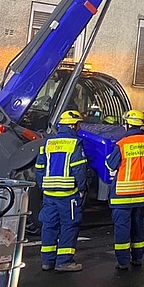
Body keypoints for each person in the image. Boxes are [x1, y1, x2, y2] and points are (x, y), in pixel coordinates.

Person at [35, 110, 87, 272]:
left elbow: (39, 168)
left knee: (49, 226)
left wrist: (43, 186)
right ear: (72, 125)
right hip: (68, 194)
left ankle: (48, 261)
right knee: (69, 226)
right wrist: (82, 188)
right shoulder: (75, 143)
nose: (79, 127)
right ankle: (64, 261)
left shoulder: (47, 143)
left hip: (49, 195)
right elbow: (79, 169)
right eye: (78, 124)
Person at [105, 109, 144, 270]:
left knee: (122, 229)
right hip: (141, 195)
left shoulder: (122, 144)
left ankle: (122, 262)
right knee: (138, 226)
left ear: (127, 124)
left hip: (122, 195)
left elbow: (110, 165)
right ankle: (137, 258)